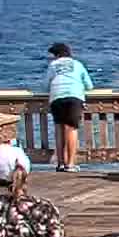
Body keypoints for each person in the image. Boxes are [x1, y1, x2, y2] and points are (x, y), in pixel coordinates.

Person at [44, 42, 93, 173]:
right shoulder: (78, 64)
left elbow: (46, 85)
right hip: (73, 97)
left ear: (57, 55)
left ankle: (60, 163)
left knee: (59, 129)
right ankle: (70, 164)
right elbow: (89, 85)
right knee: (71, 129)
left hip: (56, 97)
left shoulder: (53, 65)